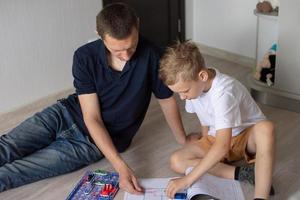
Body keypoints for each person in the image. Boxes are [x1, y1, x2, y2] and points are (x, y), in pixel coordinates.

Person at [0, 3, 188, 193]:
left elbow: (166, 100)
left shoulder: (153, 57)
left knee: (15, 172)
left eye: (131, 47)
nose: (126, 56)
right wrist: (121, 167)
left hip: (89, 144)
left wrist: (183, 140)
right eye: (117, 50)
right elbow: (92, 117)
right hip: (64, 113)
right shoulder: (84, 56)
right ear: (99, 34)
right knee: (8, 146)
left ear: (137, 25)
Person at [159, 41, 275, 200]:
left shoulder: (223, 91)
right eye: (178, 93)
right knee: (176, 160)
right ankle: (242, 173)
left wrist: (188, 179)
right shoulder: (193, 88)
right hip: (218, 139)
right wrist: (204, 140)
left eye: (184, 91)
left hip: (245, 139)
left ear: (202, 76)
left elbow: (223, 145)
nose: (182, 97)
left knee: (266, 128)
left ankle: (260, 197)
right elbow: (205, 120)